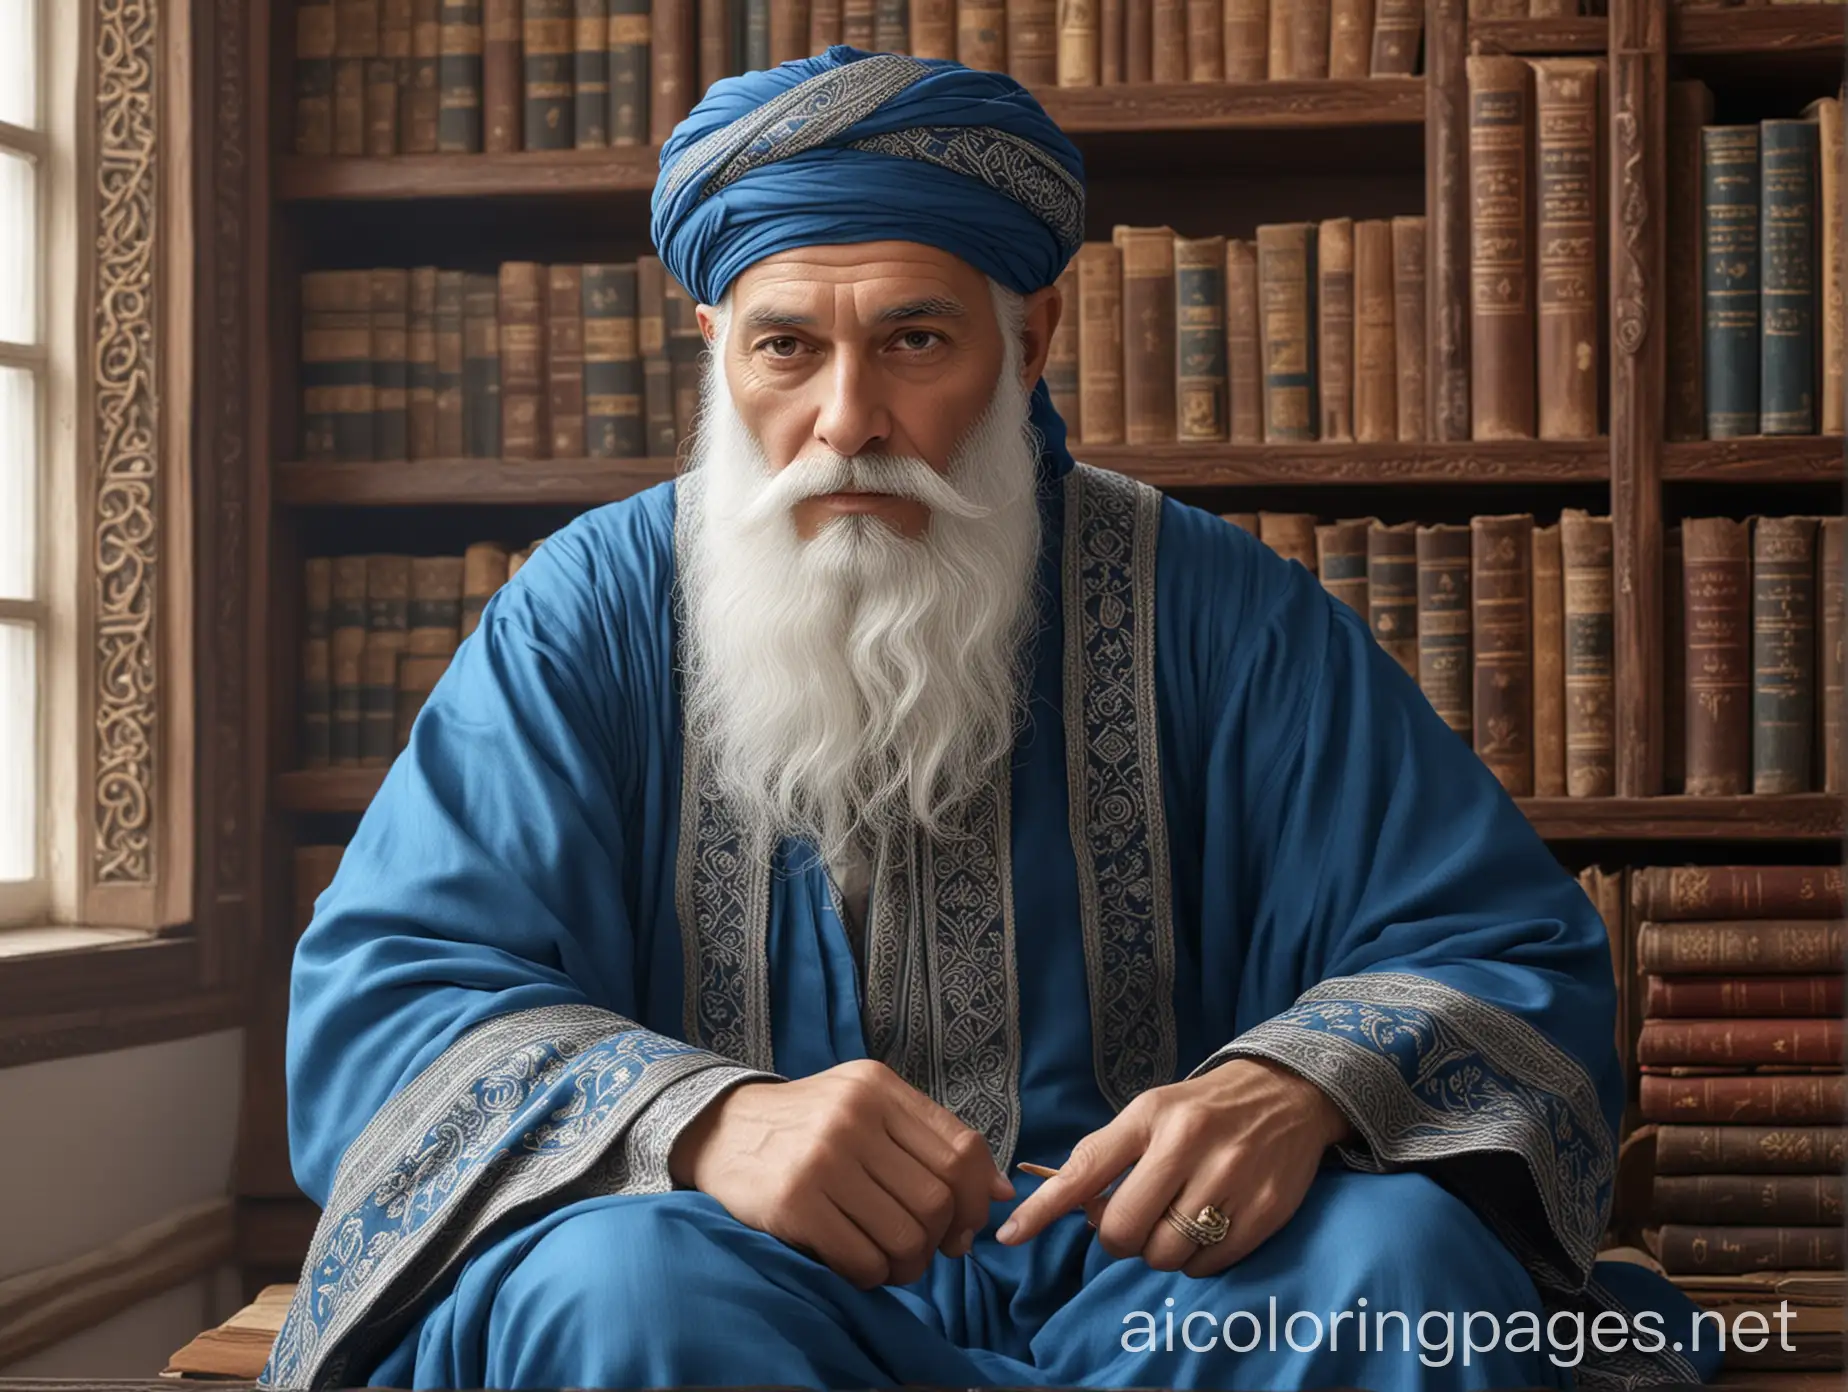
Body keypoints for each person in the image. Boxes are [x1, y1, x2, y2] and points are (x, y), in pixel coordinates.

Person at [260, 46, 1718, 1392]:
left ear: (1029, 343)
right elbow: (390, 997)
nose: (847, 420)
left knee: (1391, 1272)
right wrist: (699, 1120)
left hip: (1162, 1283)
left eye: (912, 341)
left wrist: (1298, 1088)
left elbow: (1499, 947)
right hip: (740, 1283)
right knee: (613, 1292)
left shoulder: (1213, 607)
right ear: (712, 348)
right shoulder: (592, 612)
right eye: (785, 350)